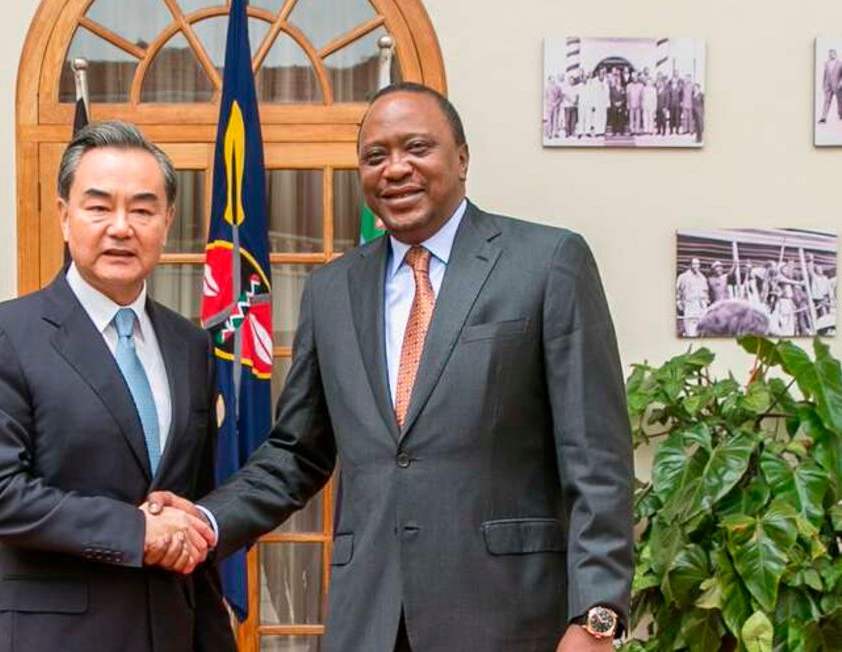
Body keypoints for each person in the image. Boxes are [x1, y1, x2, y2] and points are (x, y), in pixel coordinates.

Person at [152, 83, 634, 651]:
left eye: (417, 148)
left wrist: (597, 616)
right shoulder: (332, 288)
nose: (395, 169)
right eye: (375, 156)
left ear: (462, 157)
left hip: (511, 617)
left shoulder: (548, 262)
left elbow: (595, 456)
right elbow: (295, 453)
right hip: (371, 621)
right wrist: (206, 522)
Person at [0, 121, 236, 652]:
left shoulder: (190, 345)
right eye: (99, 206)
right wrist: (135, 532)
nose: (121, 227)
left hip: (170, 631)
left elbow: (191, 505)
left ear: (167, 220)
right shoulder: (0, 336)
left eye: (143, 209)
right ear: (64, 216)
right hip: (49, 637)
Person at [676, 257, 708, 337]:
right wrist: (679, 304)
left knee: (701, 334)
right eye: (694, 264)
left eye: (698, 264)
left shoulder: (702, 278)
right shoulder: (683, 277)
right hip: (689, 308)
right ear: (690, 265)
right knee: (690, 334)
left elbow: (705, 293)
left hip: (701, 309)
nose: (696, 266)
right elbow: (677, 292)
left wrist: (705, 304)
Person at [820, 48, 841, 124]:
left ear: (835, 54)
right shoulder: (826, 63)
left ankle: (840, 114)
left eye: (832, 53)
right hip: (828, 86)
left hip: (838, 86)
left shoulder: (840, 63)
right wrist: (823, 85)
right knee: (826, 101)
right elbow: (825, 75)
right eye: (830, 54)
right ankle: (823, 117)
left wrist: (841, 83)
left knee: (840, 101)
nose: (831, 55)